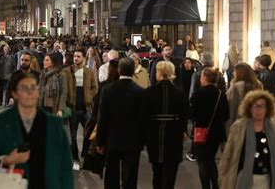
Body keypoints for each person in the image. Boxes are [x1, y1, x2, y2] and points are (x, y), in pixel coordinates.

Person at [0, 72, 74, 188]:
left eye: (34, 88)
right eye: (24, 88)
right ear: (14, 94)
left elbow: (65, 165)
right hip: (13, 184)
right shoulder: (3, 122)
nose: (30, 92)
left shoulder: (53, 124)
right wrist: (7, 161)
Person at [219, 90, 275, 189]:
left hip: (268, 182)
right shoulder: (238, 128)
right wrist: (222, 179)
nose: (258, 110)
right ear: (249, 108)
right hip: (244, 182)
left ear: (267, 108)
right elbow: (227, 156)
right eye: (255, 106)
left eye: (262, 106)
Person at [96, 58, 144, 189]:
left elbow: (103, 117)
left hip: (112, 139)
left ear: (119, 70)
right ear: (133, 70)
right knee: (130, 176)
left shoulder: (108, 90)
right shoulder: (140, 92)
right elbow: (143, 119)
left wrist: (100, 141)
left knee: (111, 174)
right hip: (133, 140)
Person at [142, 61, 188, 189]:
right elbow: (185, 115)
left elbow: (144, 116)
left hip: (155, 134)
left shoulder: (149, 92)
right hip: (174, 134)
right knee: (171, 172)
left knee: (157, 172)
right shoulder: (180, 93)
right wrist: (183, 130)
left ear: (160, 73)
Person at [191, 67, 229, 189]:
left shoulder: (198, 93)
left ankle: (206, 186)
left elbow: (192, 114)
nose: (200, 79)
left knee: (202, 162)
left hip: (201, 132)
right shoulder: (220, 94)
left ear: (206, 78)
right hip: (217, 132)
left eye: (201, 76)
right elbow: (226, 114)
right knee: (211, 160)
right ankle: (216, 186)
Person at [64, 49, 98, 168]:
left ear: (84, 58)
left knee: (88, 134)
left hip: (86, 108)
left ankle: (84, 155)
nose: (76, 58)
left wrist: (89, 96)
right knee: (72, 136)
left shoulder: (88, 72)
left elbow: (94, 87)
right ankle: (75, 158)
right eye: (74, 56)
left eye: (78, 56)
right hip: (72, 108)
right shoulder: (67, 71)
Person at [38, 54, 70, 142]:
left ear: (53, 63)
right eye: (44, 59)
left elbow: (64, 92)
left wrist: (60, 109)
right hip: (43, 106)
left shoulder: (61, 74)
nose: (44, 62)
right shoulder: (43, 74)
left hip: (54, 108)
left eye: (47, 60)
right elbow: (40, 90)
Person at [226, 63, 263, 132]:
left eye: (235, 71)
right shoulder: (258, 85)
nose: (233, 73)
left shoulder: (236, 87)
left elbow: (231, 108)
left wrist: (228, 129)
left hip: (239, 123)